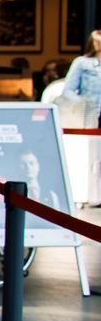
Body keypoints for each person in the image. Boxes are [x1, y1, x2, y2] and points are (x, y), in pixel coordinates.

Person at [70, 29, 101, 206]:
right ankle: (87, 194)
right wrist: (84, 103)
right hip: (91, 114)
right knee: (90, 157)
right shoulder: (82, 63)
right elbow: (69, 89)